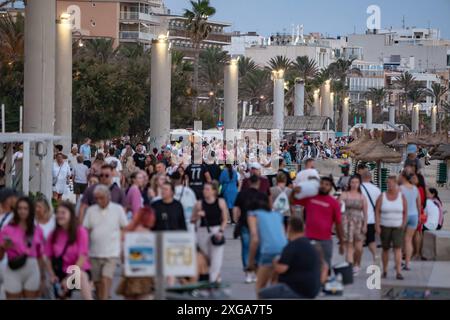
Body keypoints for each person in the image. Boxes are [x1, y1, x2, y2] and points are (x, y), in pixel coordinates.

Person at [83, 185, 128, 300]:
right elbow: (85, 229)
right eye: (96, 198)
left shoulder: (117, 209)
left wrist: (120, 240)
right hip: (94, 253)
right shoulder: (91, 210)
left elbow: (124, 227)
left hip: (111, 252)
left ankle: (104, 297)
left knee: (105, 278)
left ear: (108, 197)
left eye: (101, 198)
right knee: (97, 282)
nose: (98, 201)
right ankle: (104, 296)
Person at [259, 217, 322, 299]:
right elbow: (325, 266)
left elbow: (281, 269)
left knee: (263, 294)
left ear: (289, 229)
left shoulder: (292, 246)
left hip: (296, 289)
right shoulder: (311, 245)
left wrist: (274, 262)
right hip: (313, 289)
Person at [291, 176, 344, 268]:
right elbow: (292, 201)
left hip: (325, 240)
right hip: (309, 239)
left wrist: (342, 242)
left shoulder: (334, 203)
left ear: (330, 187)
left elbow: (338, 223)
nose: (324, 186)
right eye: (322, 183)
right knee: (308, 266)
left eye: (327, 185)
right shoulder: (310, 198)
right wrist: (293, 191)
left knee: (325, 267)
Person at [45, 201, 92, 300]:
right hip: (60, 272)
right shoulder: (53, 234)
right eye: (57, 213)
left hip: (77, 271)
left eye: (63, 213)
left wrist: (69, 278)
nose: (59, 215)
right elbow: (48, 257)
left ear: (71, 214)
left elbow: (82, 256)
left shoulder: (80, 231)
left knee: (82, 276)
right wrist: (52, 275)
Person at [0, 197, 45, 299]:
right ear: (16, 210)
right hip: (13, 268)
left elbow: (40, 256)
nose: (22, 211)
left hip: (32, 270)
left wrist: (42, 277)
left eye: (25, 208)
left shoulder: (37, 230)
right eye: (20, 208)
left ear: (30, 210)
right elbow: (0, 257)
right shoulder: (7, 229)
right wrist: (3, 247)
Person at [247, 195, 287, 294]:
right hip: (284, 251)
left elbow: (255, 239)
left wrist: (250, 262)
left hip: (269, 251)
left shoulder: (253, 215)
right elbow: (283, 235)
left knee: (260, 287)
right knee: (274, 284)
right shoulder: (277, 215)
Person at [191, 182, 228, 283]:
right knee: (207, 258)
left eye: (207, 189)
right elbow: (192, 220)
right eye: (204, 189)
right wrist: (198, 215)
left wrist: (221, 231)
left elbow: (225, 219)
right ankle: (214, 278)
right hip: (202, 231)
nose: (205, 191)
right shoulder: (199, 204)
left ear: (214, 191)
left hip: (216, 230)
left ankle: (212, 281)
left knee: (216, 259)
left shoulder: (221, 202)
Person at [233, 175, 267, 283]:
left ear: (248, 183)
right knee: (257, 248)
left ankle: (248, 273)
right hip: (258, 225)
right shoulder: (262, 195)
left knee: (246, 248)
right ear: (258, 183)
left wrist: (236, 220)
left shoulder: (242, 194)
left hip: (244, 223)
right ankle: (256, 272)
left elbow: (236, 209)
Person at [116, 207, 155, 300]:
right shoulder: (150, 235)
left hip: (130, 272)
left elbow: (122, 256)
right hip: (146, 274)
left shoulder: (129, 231)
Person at [375, 175, 407, 280]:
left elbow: (405, 211)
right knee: (385, 249)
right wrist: (377, 225)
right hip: (385, 225)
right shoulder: (382, 196)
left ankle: (398, 272)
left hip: (398, 226)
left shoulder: (401, 197)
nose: (390, 185)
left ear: (396, 184)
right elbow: (377, 211)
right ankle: (385, 270)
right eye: (388, 183)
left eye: (392, 183)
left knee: (398, 249)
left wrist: (403, 223)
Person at [338, 175, 368, 274]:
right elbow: (338, 208)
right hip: (346, 221)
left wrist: (365, 225)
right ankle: (350, 266)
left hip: (359, 221)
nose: (354, 185)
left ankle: (357, 263)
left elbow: (365, 212)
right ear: (349, 183)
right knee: (349, 245)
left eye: (356, 182)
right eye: (353, 182)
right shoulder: (344, 195)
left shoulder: (362, 197)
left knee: (359, 248)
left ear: (359, 184)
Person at [399, 171, 421, 271]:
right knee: (408, 240)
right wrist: (419, 216)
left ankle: (399, 262)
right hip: (414, 216)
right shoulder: (415, 189)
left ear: (403, 177)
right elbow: (419, 204)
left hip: (403, 216)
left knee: (399, 240)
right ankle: (407, 263)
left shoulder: (400, 189)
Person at [360, 171, 381, 262]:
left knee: (358, 241)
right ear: (371, 177)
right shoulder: (376, 189)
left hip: (359, 218)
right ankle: (375, 256)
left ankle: (356, 262)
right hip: (371, 220)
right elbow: (379, 206)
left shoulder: (358, 188)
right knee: (371, 241)